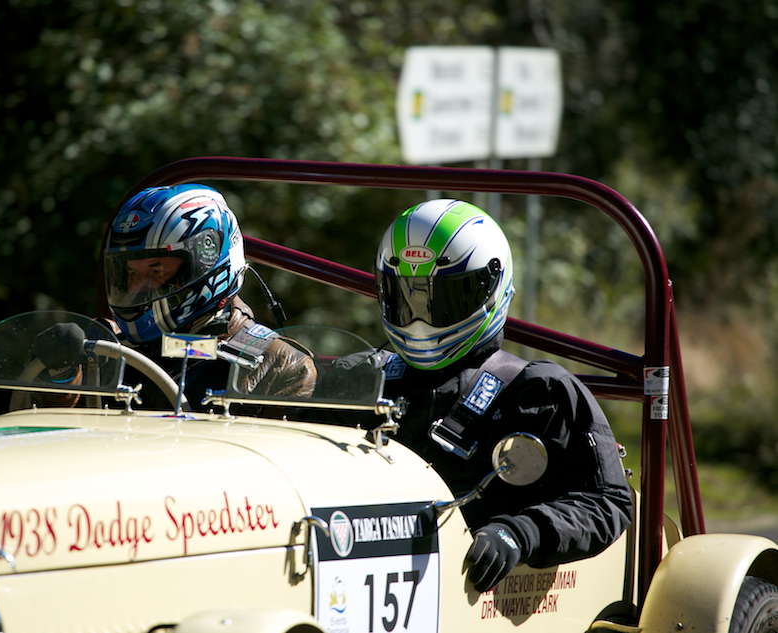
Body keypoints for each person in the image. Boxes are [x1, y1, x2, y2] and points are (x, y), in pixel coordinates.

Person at [372, 199, 633, 594]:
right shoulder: (368, 376)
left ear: (488, 288)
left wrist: (519, 532)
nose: (421, 319)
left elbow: (607, 502)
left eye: (443, 299)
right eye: (407, 298)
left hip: (494, 596)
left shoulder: (539, 391)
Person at [99, 184, 317, 409]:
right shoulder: (99, 346)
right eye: (132, 273)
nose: (138, 288)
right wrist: (66, 371)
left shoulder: (280, 366)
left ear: (206, 263)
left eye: (157, 271)